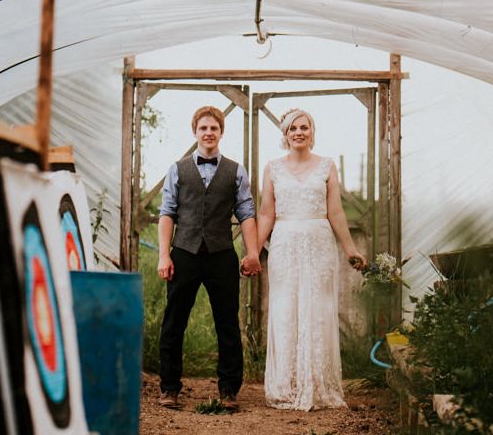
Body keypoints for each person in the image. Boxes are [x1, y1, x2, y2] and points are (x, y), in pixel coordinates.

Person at [256, 108, 367, 411]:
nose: (299, 132)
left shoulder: (327, 167)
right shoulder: (272, 169)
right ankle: (286, 384)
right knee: (285, 307)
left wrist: (350, 249)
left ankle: (318, 383)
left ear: (312, 132)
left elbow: (336, 212)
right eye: (293, 128)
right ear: (285, 134)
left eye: (304, 127)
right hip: (285, 243)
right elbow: (266, 212)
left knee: (318, 307)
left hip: (318, 242)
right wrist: (252, 252)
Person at [156, 106, 260, 411]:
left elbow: (247, 214)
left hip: (221, 255)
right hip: (184, 253)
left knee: (227, 323)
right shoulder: (177, 169)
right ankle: (169, 388)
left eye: (214, 128)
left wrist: (252, 253)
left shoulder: (236, 170)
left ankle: (229, 390)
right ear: (195, 132)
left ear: (221, 132)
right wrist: (164, 255)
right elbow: (167, 213)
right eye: (203, 128)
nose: (208, 133)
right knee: (174, 322)